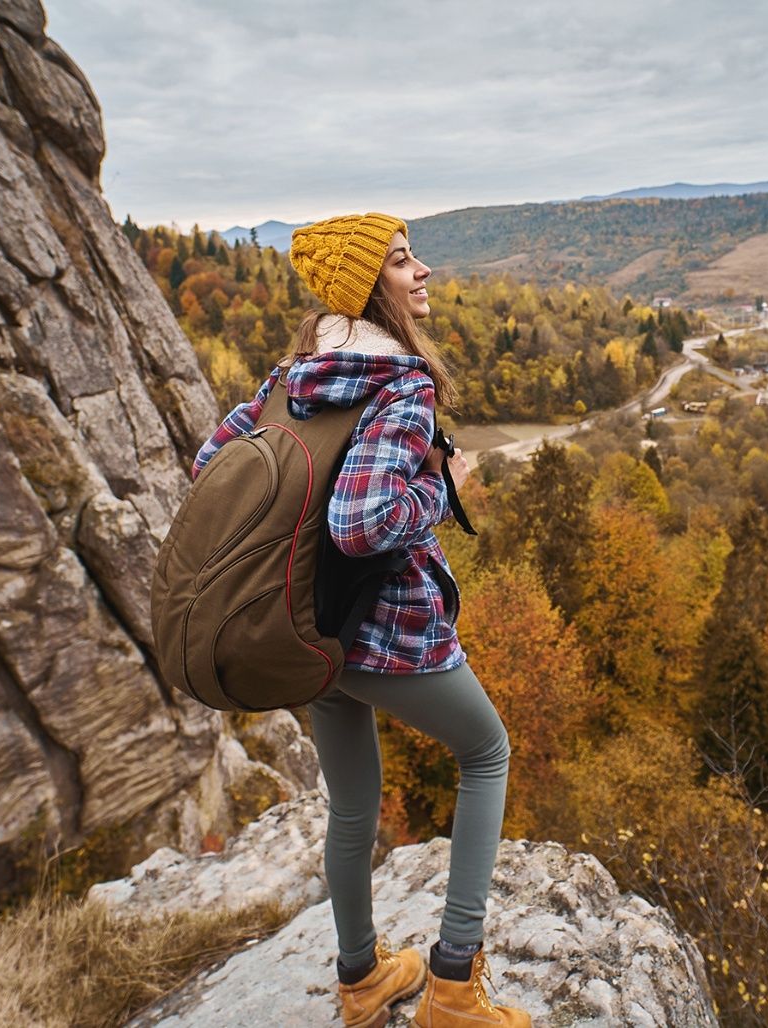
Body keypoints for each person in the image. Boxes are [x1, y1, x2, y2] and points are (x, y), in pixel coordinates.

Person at [192, 213, 531, 1028]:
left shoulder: (292, 378)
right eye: (404, 261)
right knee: (487, 753)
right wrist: (436, 488)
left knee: (352, 804)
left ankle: (361, 979)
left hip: (308, 629)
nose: (423, 273)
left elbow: (210, 469)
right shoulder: (401, 385)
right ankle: (453, 987)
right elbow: (362, 523)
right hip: (388, 633)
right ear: (368, 285)